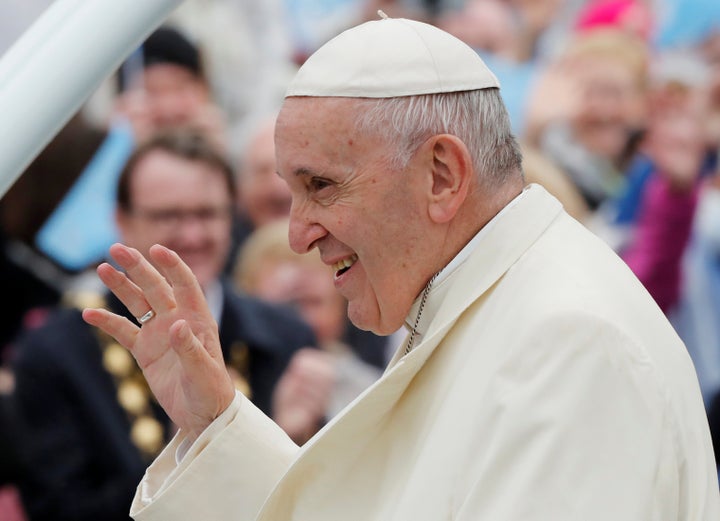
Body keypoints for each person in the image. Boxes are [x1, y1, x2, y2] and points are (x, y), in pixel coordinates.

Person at [83, 15, 719, 520]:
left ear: (441, 176)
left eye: (322, 186)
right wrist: (216, 423)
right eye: (290, 190)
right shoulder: (484, 301)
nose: (298, 233)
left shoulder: (570, 345)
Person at [10, 128, 315, 521]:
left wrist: (297, 441)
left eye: (207, 213)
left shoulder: (285, 335)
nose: (192, 235)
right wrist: (190, 445)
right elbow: (57, 510)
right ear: (122, 221)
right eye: (168, 215)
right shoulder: (55, 352)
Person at [235, 217, 383, 443]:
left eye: (312, 302)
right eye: (287, 306)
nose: (298, 323)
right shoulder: (227, 384)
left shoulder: (372, 393)